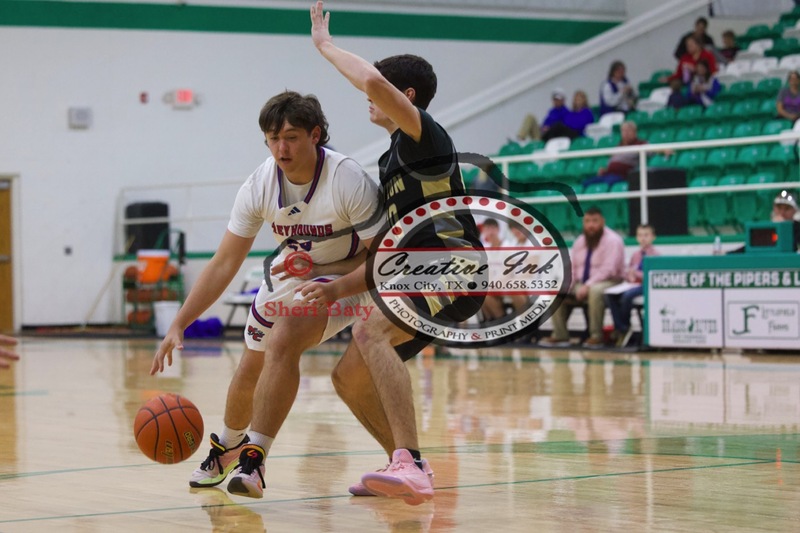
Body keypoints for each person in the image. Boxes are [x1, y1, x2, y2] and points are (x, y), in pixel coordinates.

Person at [149, 90, 385, 499]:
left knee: (286, 336)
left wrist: (330, 274)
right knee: (249, 367)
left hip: (353, 276)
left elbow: (382, 260)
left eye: (291, 137)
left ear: (316, 135)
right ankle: (229, 446)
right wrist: (179, 322)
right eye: (272, 138)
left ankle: (255, 460)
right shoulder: (260, 183)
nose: (281, 147)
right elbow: (224, 262)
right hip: (293, 273)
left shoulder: (346, 179)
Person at [300, 0, 484, 504]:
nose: (367, 94)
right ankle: (407, 465)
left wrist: (326, 47)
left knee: (370, 329)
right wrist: (332, 284)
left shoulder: (425, 135)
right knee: (348, 378)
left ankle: (410, 466)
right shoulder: (390, 161)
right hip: (416, 272)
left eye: (376, 86)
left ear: (406, 96)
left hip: (456, 268)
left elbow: (372, 83)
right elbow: (386, 252)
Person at [539, 206, 625, 347]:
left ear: (602, 221)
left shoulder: (613, 241)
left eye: (595, 221)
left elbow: (608, 270)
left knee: (595, 291)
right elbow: (573, 268)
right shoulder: (580, 241)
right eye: (587, 221)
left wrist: (588, 285)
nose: (591, 225)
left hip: (611, 281)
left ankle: (597, 337)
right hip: (584, 282)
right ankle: (560, 336)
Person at [604, 224, 659, 348]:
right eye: (640, 235)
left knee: (627, 296)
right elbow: (629, 271)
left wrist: (637, 274)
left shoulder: (656, 255)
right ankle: (621, 327)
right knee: (610, 295)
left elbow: (652, 276)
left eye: (646, 235)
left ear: (653, 237)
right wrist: (629, 275)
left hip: (645, 286)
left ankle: (623, 328)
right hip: (632, 284)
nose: (643, 238)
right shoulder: (635, 255)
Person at [583, 121, 646, 187]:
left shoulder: (640, 144)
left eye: (628, 131)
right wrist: (604, 170)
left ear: (635, 132)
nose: (626, 133)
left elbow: (652, 151)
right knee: (586, 183)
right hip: (609, 174)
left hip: (623, 175)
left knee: (607, 183)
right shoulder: (619, 146)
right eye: (624, 131)